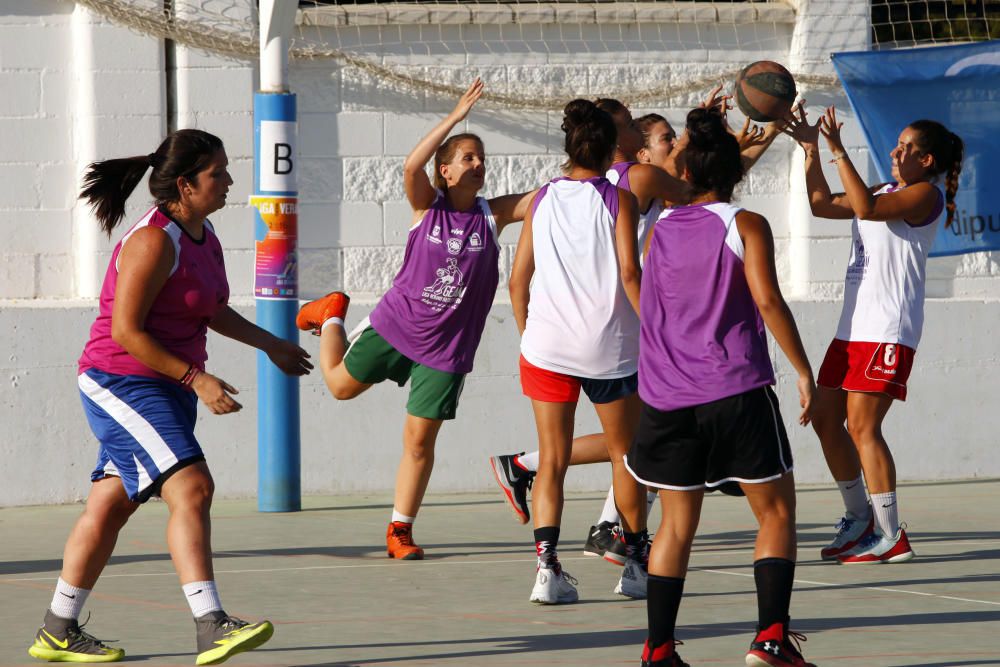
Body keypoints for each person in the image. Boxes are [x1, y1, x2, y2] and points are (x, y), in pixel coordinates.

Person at [27, 129, 311, 665]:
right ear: (185, 184)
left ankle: (57, 629)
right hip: (121, 382)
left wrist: (271, 344)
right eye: (217, 174)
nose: (229, 182)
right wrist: (195, 379)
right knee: (193, 486)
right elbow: (127, 331)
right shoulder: (153, 240)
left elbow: (214, 310)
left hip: (162, 386)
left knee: (110, 506)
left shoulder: (204, 236)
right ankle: (211, 623)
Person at [489, 99, 788, 562]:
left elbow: (516, 271)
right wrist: (714, 138)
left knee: (598, 450)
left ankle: (550, 537)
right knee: (629, 451)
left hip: (560, 342)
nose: (665, 139)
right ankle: (626, 545)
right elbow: (705, 196)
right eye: (632, 126)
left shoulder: (553, 193)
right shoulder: (633, 184)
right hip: (626, 334)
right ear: (622, 141)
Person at [295, 79, 536, 561]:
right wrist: (453, 119)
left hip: (447, 349)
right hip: (398, 325)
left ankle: (399, 530)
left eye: (480, 158)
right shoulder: (427, 207)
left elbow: (551, 196)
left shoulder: (493, 216)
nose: (477, 163)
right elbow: (410, 165)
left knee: (419, 439)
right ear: (444, 171)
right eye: (466, 156)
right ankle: (331, 315)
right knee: (340, 387)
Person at [630, 107, 816, 667]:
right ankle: (770, 640)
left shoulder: (657, 231)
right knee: (777, 513)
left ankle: (658, 649)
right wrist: (805, 371)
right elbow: (766, 300)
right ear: (737, 171)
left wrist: (695, 133)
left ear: (684, 168)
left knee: (676, 524)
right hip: (732, 389)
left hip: (667, 397)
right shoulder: (744, 224)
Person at [784, 107, 964, 564]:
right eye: (897, 144)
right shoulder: (885, 188)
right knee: (826, 419)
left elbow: (866, 209)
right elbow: (822, 205)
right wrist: (811, 153)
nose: (894, 151)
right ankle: (859, 518)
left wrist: (839, 148)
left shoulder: (926, 195)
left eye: (905, 148)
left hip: (887, 328)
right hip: (852, 330)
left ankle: (890, 534)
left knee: (863, 426)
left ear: (926, 161)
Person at [509, 99, 646, 604]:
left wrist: (529, 335)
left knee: (553, 462)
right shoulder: (619, 200)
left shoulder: (541, 199)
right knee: (626, 458)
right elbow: (630, 274)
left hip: (545, 348)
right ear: (613, 151)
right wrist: (657, 331)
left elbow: (518, 279)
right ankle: (633, 567)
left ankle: (547, 570)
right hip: (609, 348)